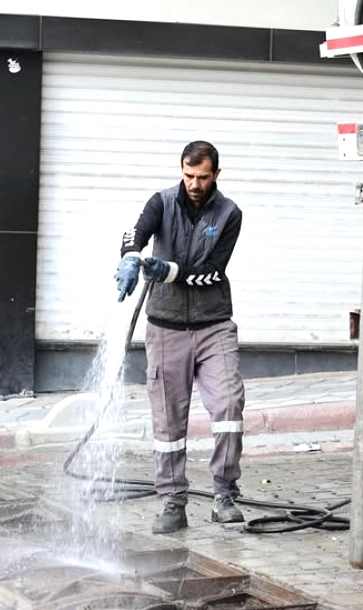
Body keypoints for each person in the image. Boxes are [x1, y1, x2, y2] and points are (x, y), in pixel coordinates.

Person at [115, 140, 246, 534]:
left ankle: (224, 494)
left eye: (202, 177)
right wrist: (131, 258)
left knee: (228, 406)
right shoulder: (161, 201)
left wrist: (164, 270)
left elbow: (207, 270)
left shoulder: (229, 214)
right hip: (165, 327)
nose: (194, 183)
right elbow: (134, 233)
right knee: (168, 423)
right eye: (188, 175)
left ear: (216, 175)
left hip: (213, 326)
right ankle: (173, 502)